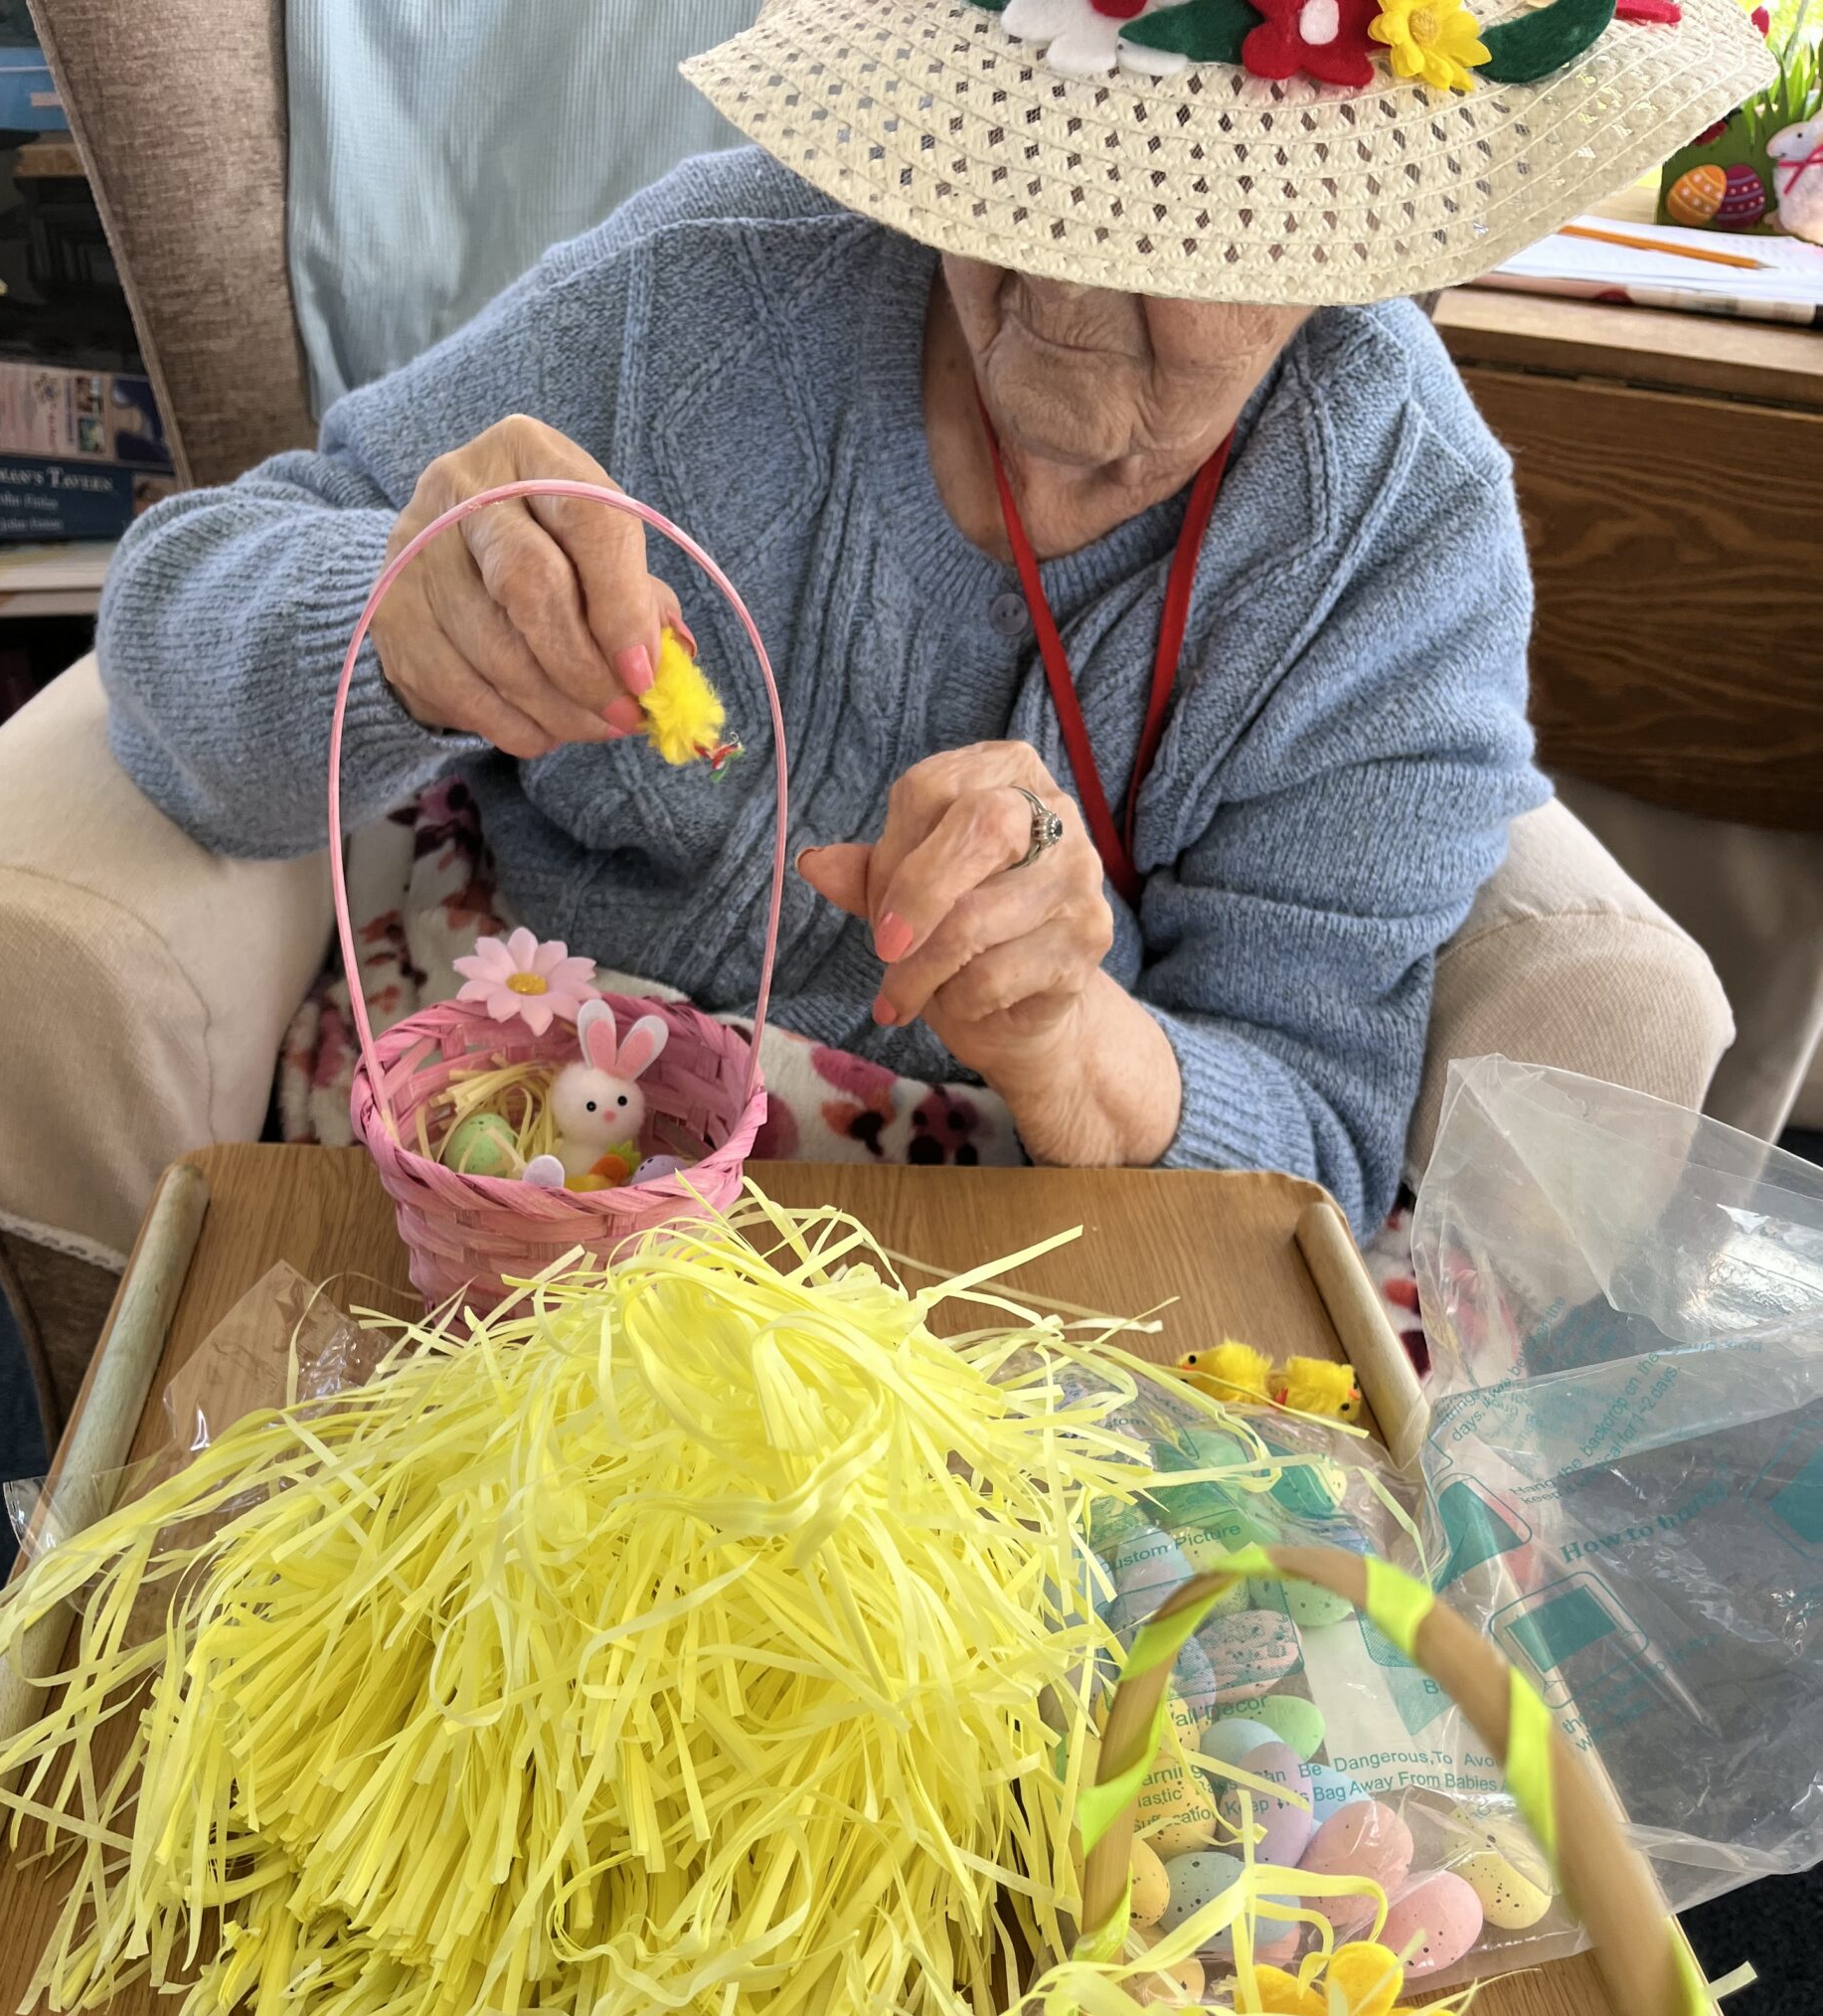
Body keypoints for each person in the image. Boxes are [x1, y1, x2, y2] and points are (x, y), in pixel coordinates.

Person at [94, 0, 1760, 1236]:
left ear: (1352, 246)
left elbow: (1320, 1135)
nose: (1046, 293)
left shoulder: (1392, 530)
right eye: (1013, 183)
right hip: (546, 1167)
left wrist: (1076, 1039)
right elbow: (171, 648)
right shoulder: (706, 294)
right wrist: (394, 609)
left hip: (1008, 1255)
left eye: (1170, 234)